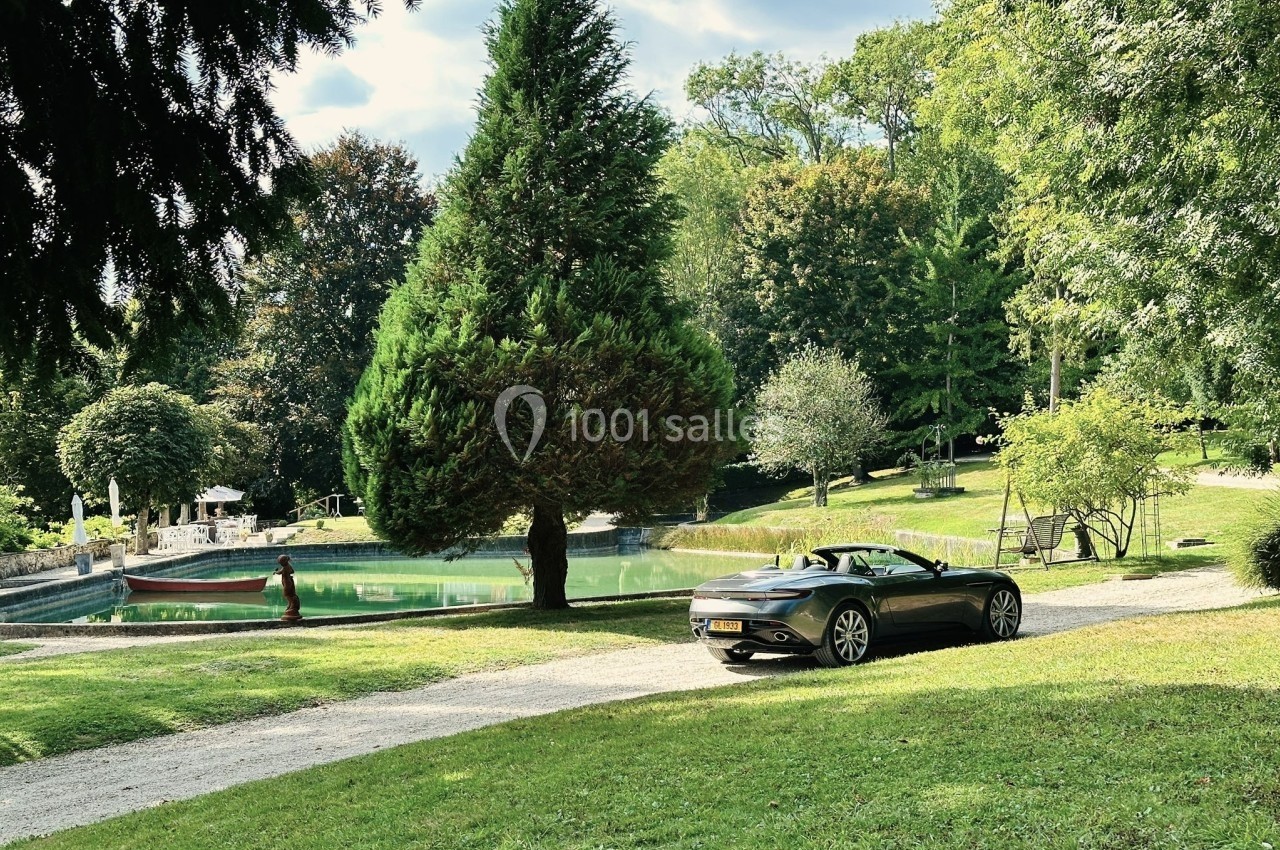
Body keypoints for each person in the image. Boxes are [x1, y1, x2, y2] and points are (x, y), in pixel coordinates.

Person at [275, 554, 302, 621]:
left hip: (287, 583)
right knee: (289, 594)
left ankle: (292, 606)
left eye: (281, 563)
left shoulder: (286, 568)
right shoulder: (287, 566)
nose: (280, 564)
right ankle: (291, 605)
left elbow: (282, 571)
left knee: (287, 594)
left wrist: (277, 572)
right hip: (288, 581)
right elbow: (291, 571)